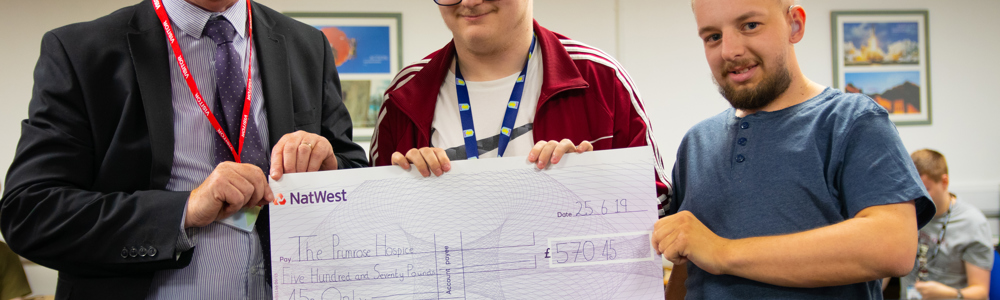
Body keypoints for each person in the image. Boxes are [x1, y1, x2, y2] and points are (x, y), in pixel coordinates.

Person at [0, 0, 368, 298]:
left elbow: (354, 171)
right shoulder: (81, 51)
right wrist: (184, 209)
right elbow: (30, 212)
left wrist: (329, 165)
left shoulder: (307, 45)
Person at [653, 0, 936, 299]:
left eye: (750, 25)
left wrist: (722, 252)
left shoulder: (851, 121)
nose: (729, 51)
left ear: (795, 24)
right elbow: (688, 264)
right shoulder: (696, 142)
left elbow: (893, 246)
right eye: (713, 36)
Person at [369, 0, 670, 211]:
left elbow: (660, 208)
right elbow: (371, 227)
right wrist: (404, 190)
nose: (471, 2)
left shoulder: (602, 79)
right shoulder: (402, 96)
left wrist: (589, 182)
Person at [898, 149, 992, 299]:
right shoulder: (905, 213)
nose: (917, 198)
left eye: (925, 189)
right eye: (912, 190)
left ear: (944, 182)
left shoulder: (972, 223)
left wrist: (949, 294)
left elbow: (980, 291)